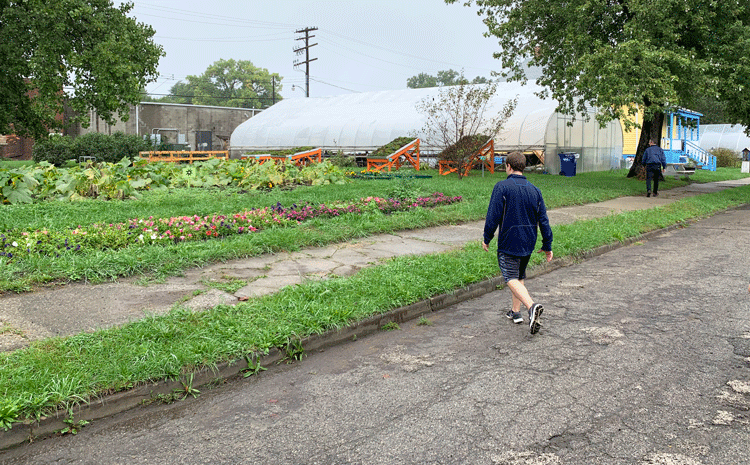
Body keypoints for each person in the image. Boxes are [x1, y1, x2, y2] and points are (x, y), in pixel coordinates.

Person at [482, 152, 553, 334]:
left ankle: (531, 306)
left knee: (510, 277)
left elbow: (493, 215)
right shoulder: (535, 190)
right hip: (529, 240)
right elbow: (543, 220)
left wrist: (486, 237)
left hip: (509, 240)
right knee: (519, 275)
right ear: (523, 166)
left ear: (508, 166)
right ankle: (515, 312)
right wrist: (547, 244)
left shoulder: (502, 187)